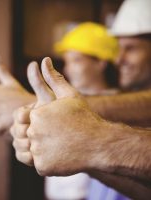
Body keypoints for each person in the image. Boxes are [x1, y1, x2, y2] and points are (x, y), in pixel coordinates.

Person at [10, 57, 151, 200]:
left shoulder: (131, 116)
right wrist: (83, 156)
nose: (119, 58)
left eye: (76, 59)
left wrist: (90, 141)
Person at [45, 22, 124, 200]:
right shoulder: (62, 101)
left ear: (101, 62)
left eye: (76, 60)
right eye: (67, 61)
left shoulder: (121, 110)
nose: (67, 69)